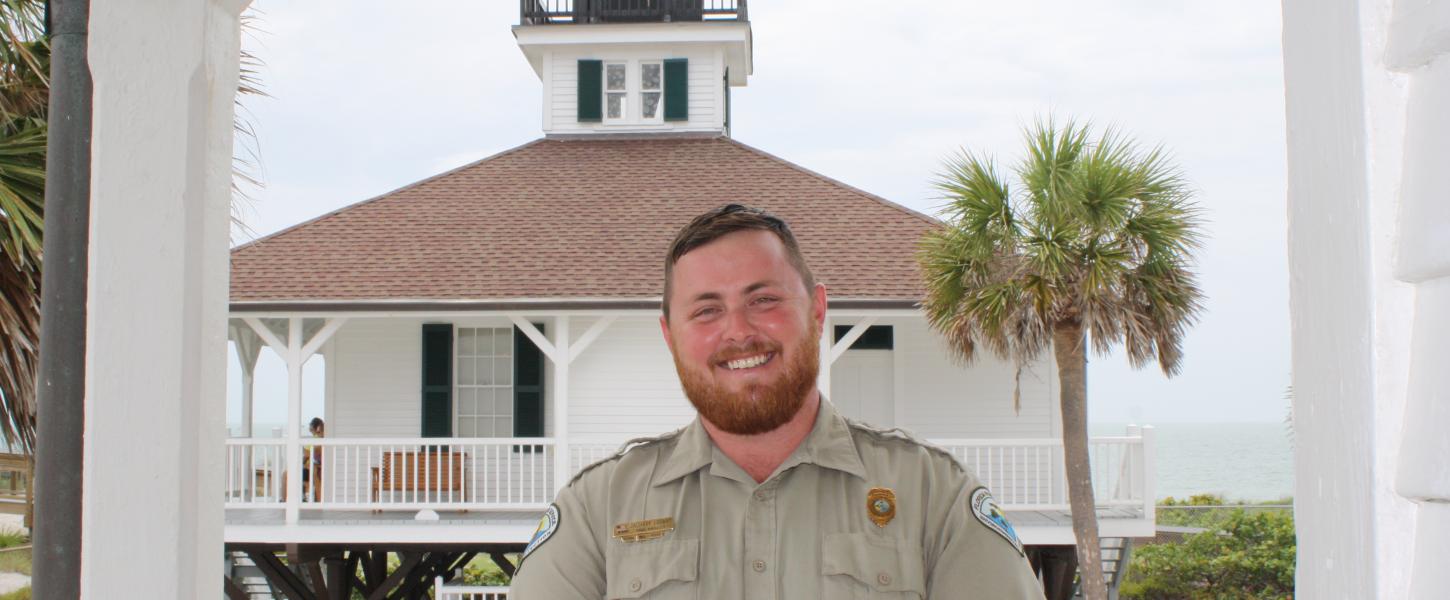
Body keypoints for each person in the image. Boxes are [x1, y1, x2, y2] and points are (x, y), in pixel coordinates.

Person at [510, 205, 1045, 599]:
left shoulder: (935, 496)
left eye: (763, 300)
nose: (738, 332)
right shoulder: (598, 509)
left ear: (816, 310)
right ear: (670, 335)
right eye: (706, 311)